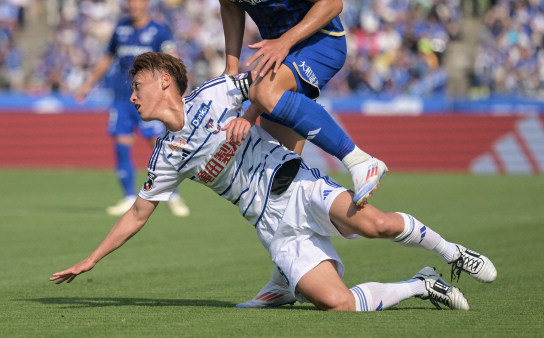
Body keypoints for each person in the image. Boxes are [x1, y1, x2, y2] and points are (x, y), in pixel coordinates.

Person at [51, 52, 497, 312]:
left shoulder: (214, 94)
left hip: (297, 185)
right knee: (339, 305)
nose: (132, 96)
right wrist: (91, 260)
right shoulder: (165, 155)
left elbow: (269, 84)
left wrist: (248, 116)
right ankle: (422, 284)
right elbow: (137, 212)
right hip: (272, 226)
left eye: (138, 86)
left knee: (374, 224)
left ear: (164, 82)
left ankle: (453, 253)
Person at [175, 0, 386, 208]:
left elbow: (332, 2)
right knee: (281, 180)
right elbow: (230, 5)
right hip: (277, 55)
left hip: (320, 41)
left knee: (263, 93)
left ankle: (359, 161)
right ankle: (377, 229)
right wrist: (231, 70)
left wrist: (283, 43)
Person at [76, 0, 190, 217]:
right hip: (122, 98)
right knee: (121, 146)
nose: (135, 5)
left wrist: (179, 88)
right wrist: (88, 84)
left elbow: (173, 58)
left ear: (146, 3)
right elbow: (108, 58)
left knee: (161, 147)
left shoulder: (158, 30)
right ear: (127, 3)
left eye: (139, 0)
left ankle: (173, 195)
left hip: (150, 102)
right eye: (131, 0)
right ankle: (129, 197)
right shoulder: (120, 29)